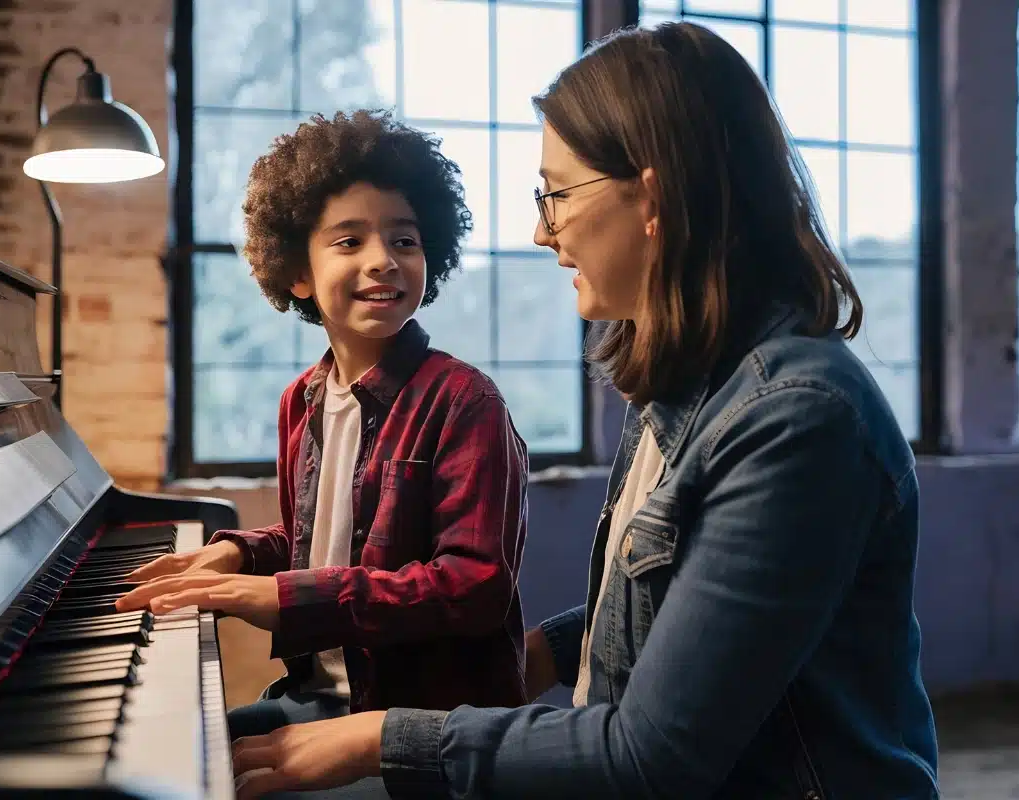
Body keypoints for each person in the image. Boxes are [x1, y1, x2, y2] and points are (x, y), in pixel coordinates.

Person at [224, 21, 940, 800]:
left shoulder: (795, 419)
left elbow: (649, 758)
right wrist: (535, 655)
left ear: (653, 198)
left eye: (557, 194)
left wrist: (380, 737)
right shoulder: (681, 382)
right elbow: (678, 615)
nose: (542, 231)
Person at [116, 111, 531, 748]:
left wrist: (285, 598)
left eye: (404, 240)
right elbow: (323, 539)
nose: (383, 261)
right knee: (167, 750)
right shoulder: (301, 401)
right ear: (298, 271)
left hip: (419, 728)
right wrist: (241, 555)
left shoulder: (465, 401)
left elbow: (473, 587)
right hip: (316, 698)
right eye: (349, 241)